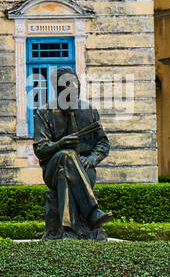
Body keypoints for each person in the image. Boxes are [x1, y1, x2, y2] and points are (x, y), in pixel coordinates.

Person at [32, 67, 112, 239]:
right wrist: (59, 144)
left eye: (75, 88)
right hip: (52, 169)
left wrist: (91, 159)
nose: (72, 92)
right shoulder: (44, 113)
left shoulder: (89, 111)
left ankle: (68, 232)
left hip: (85, 169)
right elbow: (40, 149)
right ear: (58, 90)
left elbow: (103, 143)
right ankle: (92, 211)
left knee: (65, 176)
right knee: (66, 155)